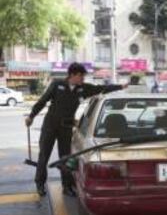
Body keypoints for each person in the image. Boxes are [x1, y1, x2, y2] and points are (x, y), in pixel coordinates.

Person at [25, 63, 127, 197]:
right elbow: (43, 101)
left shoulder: (83, 88)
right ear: (72, 75)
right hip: (50, 125)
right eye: (81, 75)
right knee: (44, 155)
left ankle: (66, 186)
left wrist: (120, 86)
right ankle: (40, 184)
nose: (83, 78)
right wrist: (31, 116)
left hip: (66, 127)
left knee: (65, 158)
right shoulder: (57, 85)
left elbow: (101, 88)